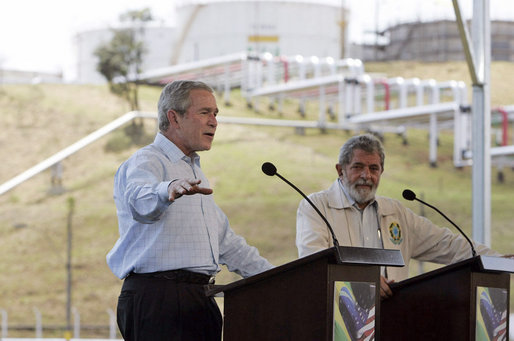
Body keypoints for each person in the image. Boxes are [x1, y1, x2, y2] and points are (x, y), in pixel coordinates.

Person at [107, 80, 273, 341]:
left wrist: (279, 278)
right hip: (159, 300)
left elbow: (228, 244)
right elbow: (139, 200)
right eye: (205, 112)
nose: (214, 121)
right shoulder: (147, 160)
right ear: (174, 117)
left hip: (199, 300)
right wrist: (168, 189)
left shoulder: (195, 174)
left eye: (216, 114)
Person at [296, 133, 504, 299]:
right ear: (340, 170)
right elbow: (312, 263)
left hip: (392, 319)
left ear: (381, 172)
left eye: (373, 168)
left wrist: (497, 259)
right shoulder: (316, 207)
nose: (366, 175)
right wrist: (363, 281)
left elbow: (447, 244)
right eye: (358, 167)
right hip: (336, 319)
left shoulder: (396, 213)